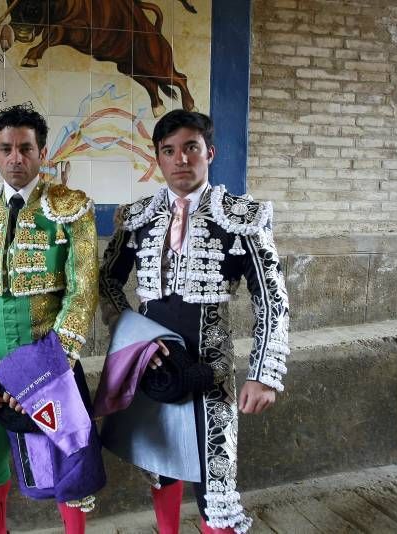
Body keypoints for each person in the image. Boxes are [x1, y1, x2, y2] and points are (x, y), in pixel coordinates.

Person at [97, 110, 289, 534]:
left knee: (215, 483)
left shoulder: (240, 217)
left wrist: (264, 374)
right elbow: (107, 279)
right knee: (161, 464)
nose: (180, 159)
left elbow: (272, 299)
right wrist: (130, 333)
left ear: (209, 153)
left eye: (190, 148)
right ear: (158, 159)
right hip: (154, 363)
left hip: (211, 368)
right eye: (169, 151)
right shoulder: (137, 217)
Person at [0, 104, 101, 534]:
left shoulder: (70, 208)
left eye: (25, 148)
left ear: (42, 151)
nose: (16, 157)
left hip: (49, 358)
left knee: (65, 454)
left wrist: (46, 371)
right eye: (7, 148)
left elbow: (83, 288)